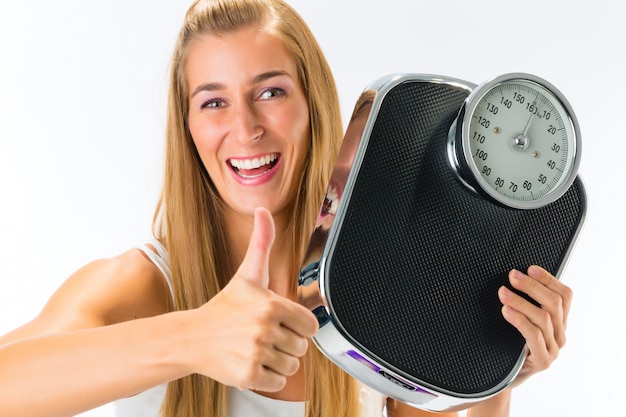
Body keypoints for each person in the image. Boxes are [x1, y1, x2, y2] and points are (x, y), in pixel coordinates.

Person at [0, 0, 573, 416]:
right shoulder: (144, 287)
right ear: (189, 128)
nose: (245, 128)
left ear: (313, 106)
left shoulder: (376, 292)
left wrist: (493, 373)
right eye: (214, 102)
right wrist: (194, 338)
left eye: (270, 92)